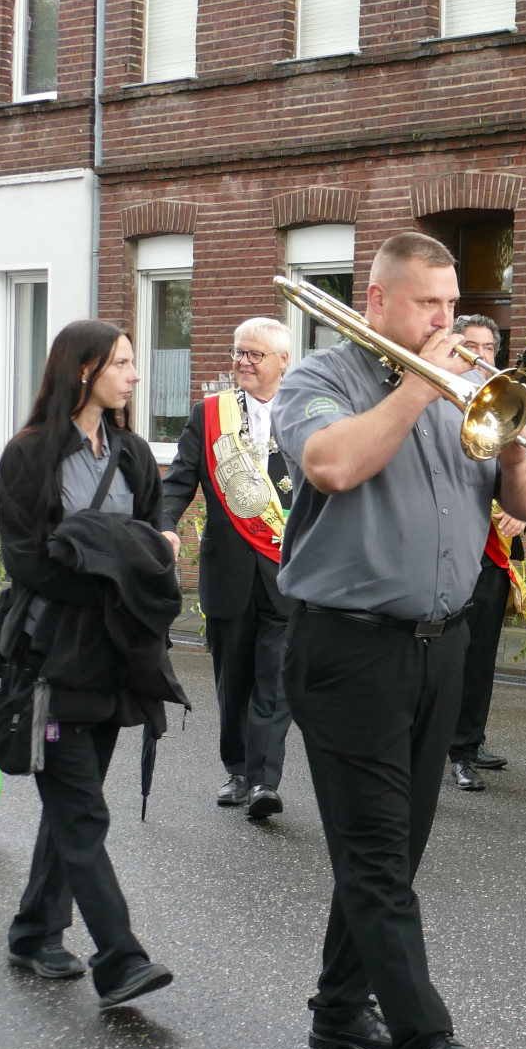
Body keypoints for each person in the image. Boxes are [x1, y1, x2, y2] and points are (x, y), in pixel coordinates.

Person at [273, 232, 526, 1049]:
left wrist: (510, 440)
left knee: (396, 848)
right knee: (375, 853)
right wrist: (421, 386)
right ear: (379, 301)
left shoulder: (468, 388)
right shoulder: (319, 380)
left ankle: (339, 1007)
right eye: (430, 303)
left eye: (452, 303)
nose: (447, 320)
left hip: (441, 645)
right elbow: (332, 464)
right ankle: (424, 1040)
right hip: (348, 648)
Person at [0, 320, 184, 1006]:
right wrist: (117, 571)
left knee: (73, 803)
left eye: (133, 363)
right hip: (52, 656)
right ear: (82, 370)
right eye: (122, 363)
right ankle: (120, 957)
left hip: (117, 656)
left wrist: (132, 551)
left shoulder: (133, 452)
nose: (135, 375)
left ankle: (34, 931)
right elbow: (29, 562)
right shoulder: (28, 455)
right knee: (81, 810)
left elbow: (155, 540)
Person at [162, 318, 296, 820]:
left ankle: (263, 781)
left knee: (275, 683)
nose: (242, 361)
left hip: (287, 571)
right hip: (228, 572)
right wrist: (164, 525)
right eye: (238, 352)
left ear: (283, 361)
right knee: (233, 681)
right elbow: (179, 481)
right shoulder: (210, 413)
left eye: (254, 354)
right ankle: (237, 770)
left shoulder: (306, 412)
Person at [447, 315, 526, 792]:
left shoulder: (506, 403)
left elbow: (524, 473)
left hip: (490, 553)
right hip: (447, 547)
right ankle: (445, 747)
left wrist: (520, 513)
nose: (479, 356)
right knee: (448, 655)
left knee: (480, 657)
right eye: (469, 346)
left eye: (487, 348)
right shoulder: (440, 397)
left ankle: (468, 745)